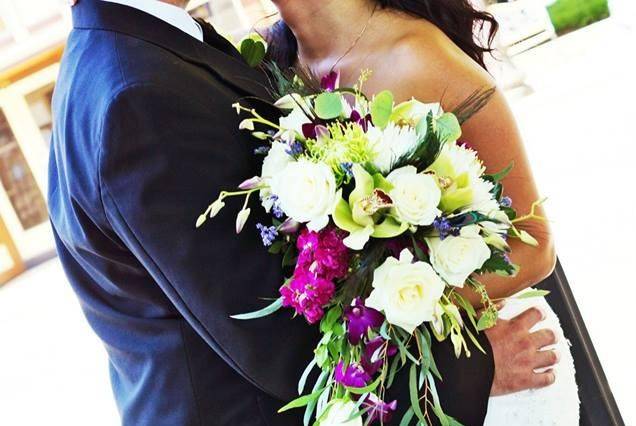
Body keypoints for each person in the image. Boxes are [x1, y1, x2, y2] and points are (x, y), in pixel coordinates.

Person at [50, 0, 559, 424]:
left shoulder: (147, 59)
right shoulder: (143, 89)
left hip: (497, 337)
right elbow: (273, 337)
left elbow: (530, 239)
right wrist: (473, 367)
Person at [265, 0, 579, 424]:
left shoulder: (418, 53)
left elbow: (536, 245)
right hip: (392, 385)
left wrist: (392, 315)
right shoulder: (270, 67)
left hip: (503, 359)